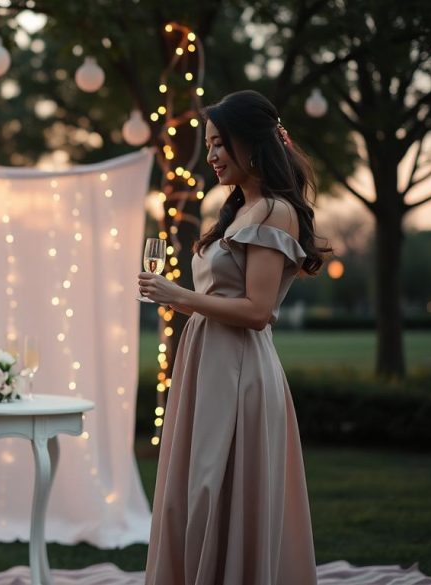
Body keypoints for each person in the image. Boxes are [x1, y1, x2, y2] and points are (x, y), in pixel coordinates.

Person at [137, 90, 330, 585]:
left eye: (221, 143)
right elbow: (217, 299)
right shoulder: (238, 210)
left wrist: (178, 293)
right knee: (192, 491)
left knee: (215, 488)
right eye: (210, 145)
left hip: (239, 371)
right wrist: (175, 299)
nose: (214, 156)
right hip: (205, 361)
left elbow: (258, 311)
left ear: (251, 143)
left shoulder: (275, 213)